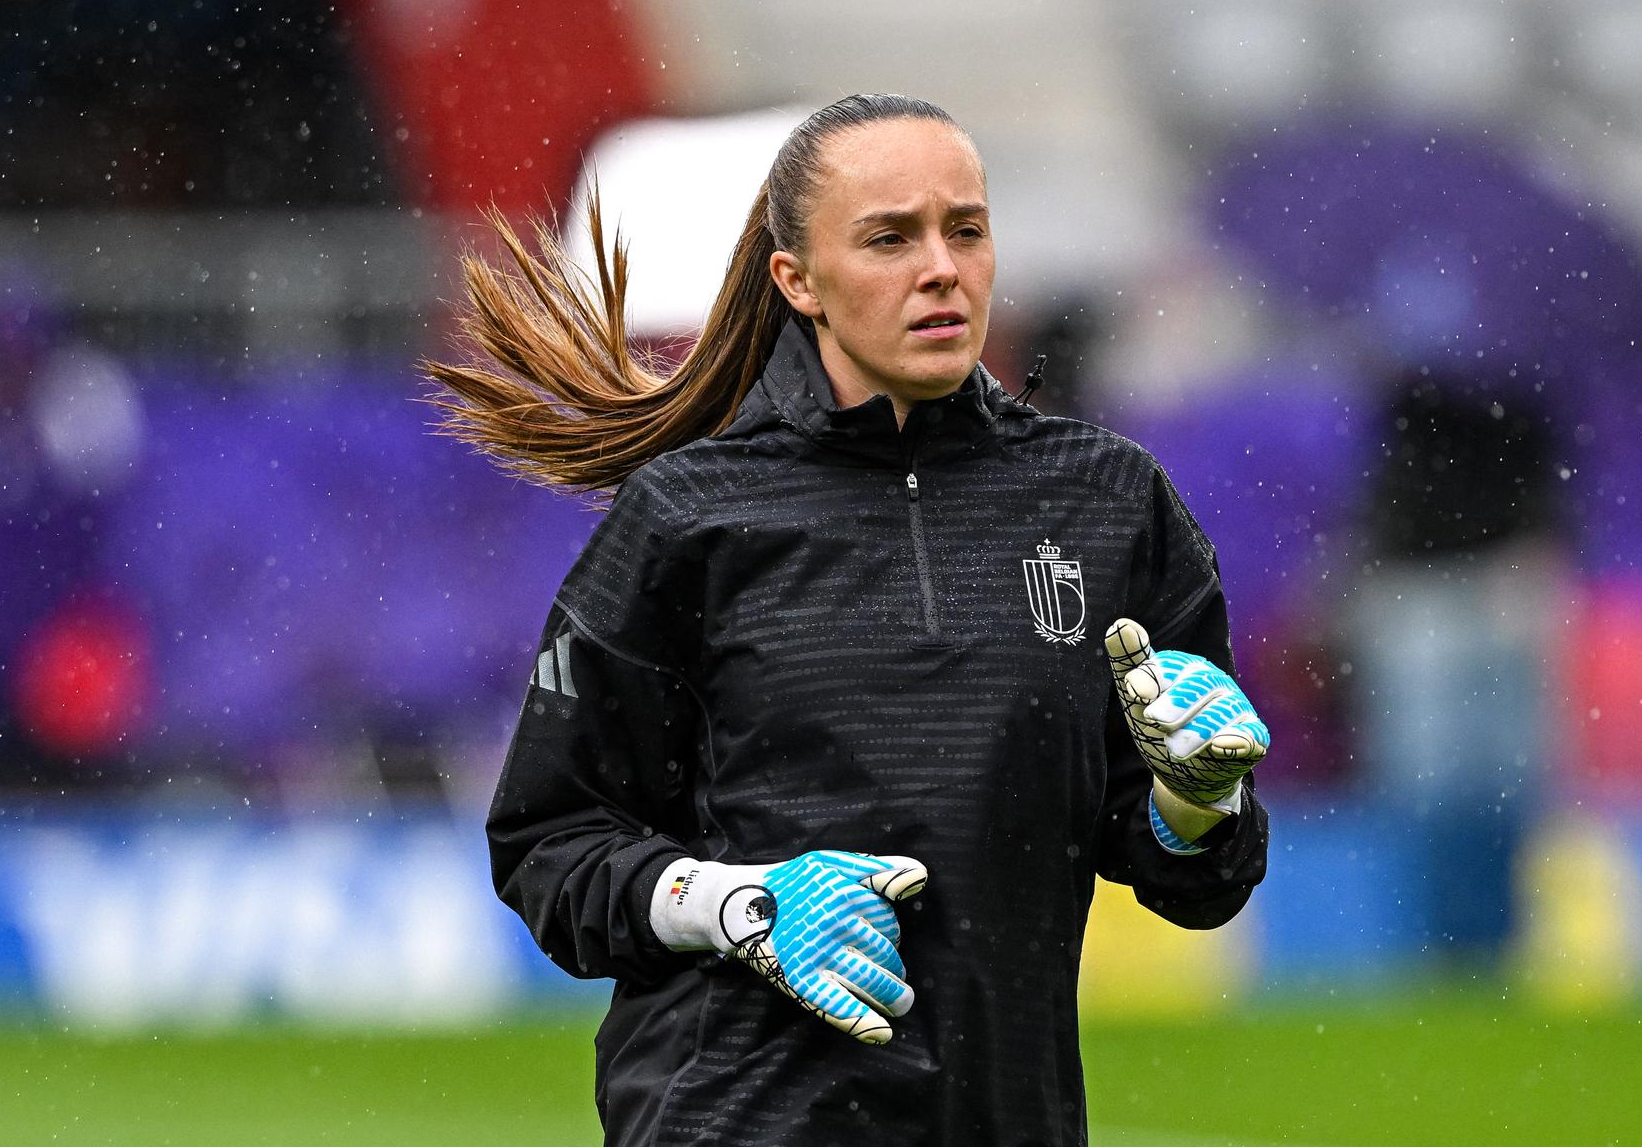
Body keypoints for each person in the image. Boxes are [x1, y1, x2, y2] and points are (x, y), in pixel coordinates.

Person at [425, 94, 1272, 1146]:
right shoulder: (690, 512)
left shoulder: (1108, 502)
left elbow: (1195, 881)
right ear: (798, 279)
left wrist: (1197, 798)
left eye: (965, 228)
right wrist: (741, 905)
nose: (941, 267)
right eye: (889, 237)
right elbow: (551, 844)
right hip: (729, 1117)